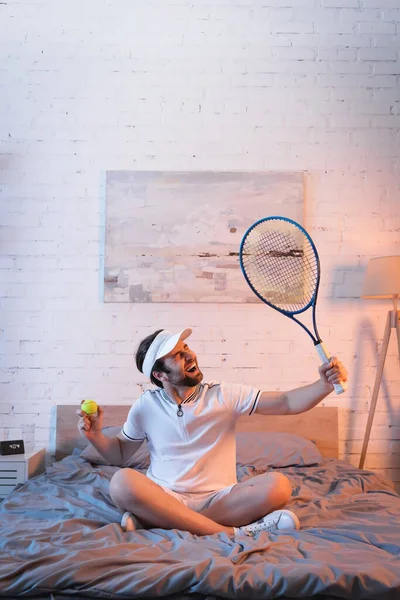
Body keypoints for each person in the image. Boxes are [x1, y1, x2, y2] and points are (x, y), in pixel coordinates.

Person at [77, 328, 348, 537]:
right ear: (160, 375)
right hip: (165, 495)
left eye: (186, 348)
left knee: (279, 486)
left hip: (220, 498)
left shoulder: (223, 394)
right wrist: (96, 435)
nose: (189, 355)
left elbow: (287, 403)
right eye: (177, 356)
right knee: (121, 482)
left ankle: (155, 520)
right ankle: (230, 532)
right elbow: (120, 454)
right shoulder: (145, 406)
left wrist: (323, 384)